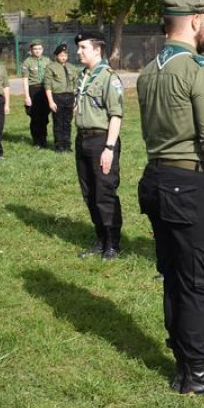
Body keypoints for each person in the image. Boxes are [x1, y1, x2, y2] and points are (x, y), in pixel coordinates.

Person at [137, 0, 204, 395]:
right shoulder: (200, 70)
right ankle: (196, 373)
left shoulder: (149, 71)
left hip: (157, 180)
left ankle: (183, 361)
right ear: (196, 20)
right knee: (200, 278)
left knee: (175, 274)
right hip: (191, 185)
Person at [74, 31, 124, 259]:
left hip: (101, 140)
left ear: (97, 49)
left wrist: (109, 148)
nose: (78, 51)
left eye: (83, 47)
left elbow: (116, 114)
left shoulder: (108, 77)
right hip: (83, 139)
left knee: (104, 192)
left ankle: (113, 243)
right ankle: (100, 239)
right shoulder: (83, 75)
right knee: (89, 193)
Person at [44, 43, 81, 153]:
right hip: (57, 97)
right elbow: (47, 85)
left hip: (69, 97)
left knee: (67, 122)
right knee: (58, 122)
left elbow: (76, 84)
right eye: (61, 55)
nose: (63, 57)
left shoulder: (71, 67)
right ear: (56, 56)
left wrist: (76, 101)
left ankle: (67, 145)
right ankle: (59, 146)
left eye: (65, 55)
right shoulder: (51, 67)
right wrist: (51, 101)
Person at [21, 40, 51, 148]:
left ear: (42, 50)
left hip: (45, 90)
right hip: (33, 90)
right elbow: (25, 80)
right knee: (35, 117)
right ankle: (37, 140)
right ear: (31, 50)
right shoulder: (27, 62)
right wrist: (27, 96)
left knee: (44, 116)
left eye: (39, 49)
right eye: (35, 49)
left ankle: (44, 139)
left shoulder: (47, 61)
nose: (37, 51)